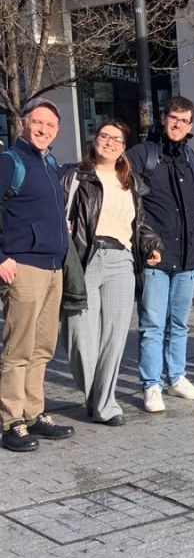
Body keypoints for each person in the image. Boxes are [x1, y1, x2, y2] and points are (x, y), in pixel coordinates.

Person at [61, 121, 164, 426]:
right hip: (85, 260)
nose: (108, 142)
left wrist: (152, 244)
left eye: (115, 139)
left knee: (114, 338)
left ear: (123, 148)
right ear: (95, 140)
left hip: (121, 260)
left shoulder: (130, 181)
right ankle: (95, 397)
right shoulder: (75, 176)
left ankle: (106, 404)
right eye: (103, 136)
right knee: (80, 338)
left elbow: (140, 223)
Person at [0, 98, 75, 452]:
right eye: (39, 123)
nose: (44, 130)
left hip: (52, 267)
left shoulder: (48, 162)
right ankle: (10, 420)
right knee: (18, 348)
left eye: (51, 126)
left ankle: (34, 412)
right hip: (24, 266)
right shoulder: (9, 161)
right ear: (25, 124)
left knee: (42, 346)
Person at [126, 96, 194, 413]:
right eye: (174, 118)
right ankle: (151, 385)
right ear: (163, 118)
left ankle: (177, 376)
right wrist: (146, 244)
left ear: (191, 126)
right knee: (152, 325)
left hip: (187, 255)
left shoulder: (192, 159)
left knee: (180, 324)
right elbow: (130, 202)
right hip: (155, 256)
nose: (178, 124)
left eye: (185, 120)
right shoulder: (142, 154)